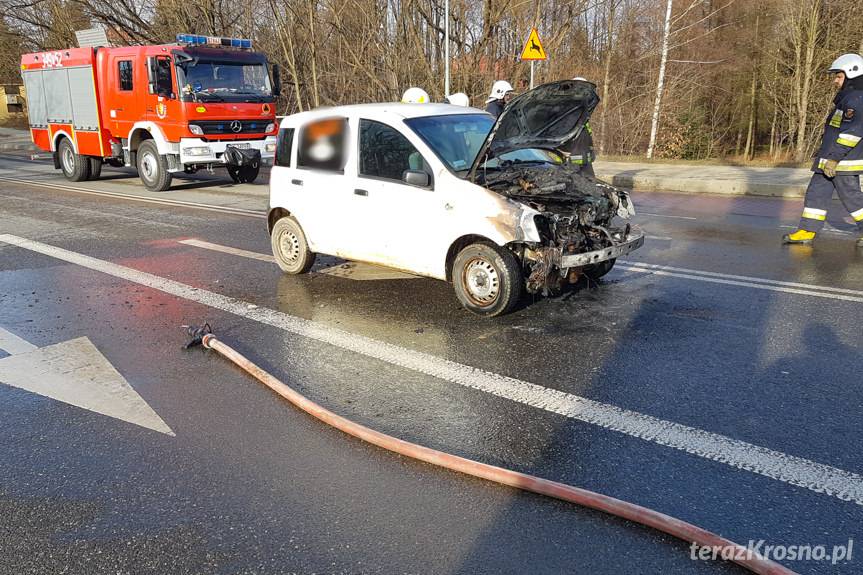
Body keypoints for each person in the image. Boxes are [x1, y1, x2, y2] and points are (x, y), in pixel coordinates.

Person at [783, 53, 863, 247]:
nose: (835, 80)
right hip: (827, 159)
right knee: (816, 193)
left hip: (842, 161)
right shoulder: (847, 98)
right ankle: (807, 230)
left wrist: (834, 158)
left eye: (839, 76)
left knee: (851, 198)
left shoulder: (857, 99)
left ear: (853, 74)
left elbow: (853, 131)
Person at [564, 76, 596, 177]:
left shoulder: (583, 112)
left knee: (590, 185)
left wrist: (591, 152)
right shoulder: (569, 110)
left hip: (585, 160)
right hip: (573, 161)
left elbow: (587, 135)